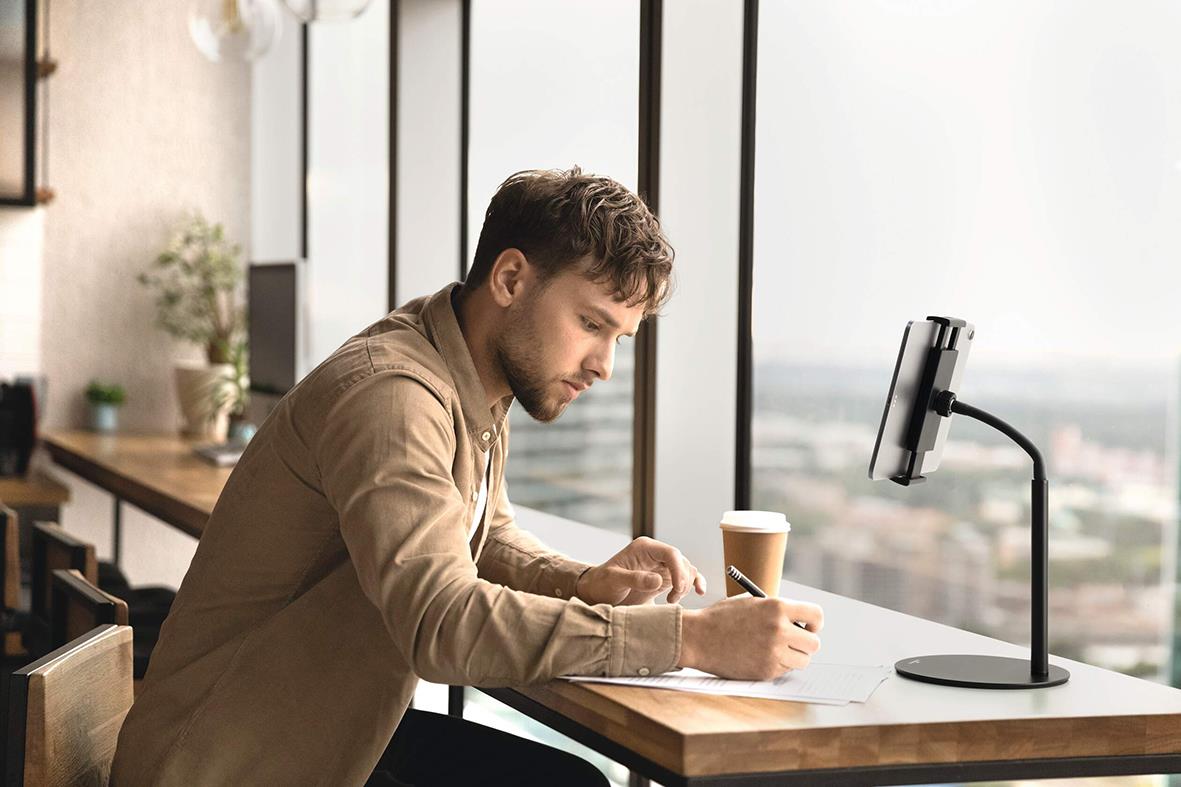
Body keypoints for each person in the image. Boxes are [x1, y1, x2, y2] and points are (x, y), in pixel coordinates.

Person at [110, 167, 823, 786]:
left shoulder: (467, 376)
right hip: (224, 768)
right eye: (590, 323)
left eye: (618, 338)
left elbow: (478, 534)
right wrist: (693, 641)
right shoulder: (393, 396)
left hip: (319, 743)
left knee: (560, 780)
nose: (604, 364)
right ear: (511, 278)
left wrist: (580, 582)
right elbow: (442, 623)